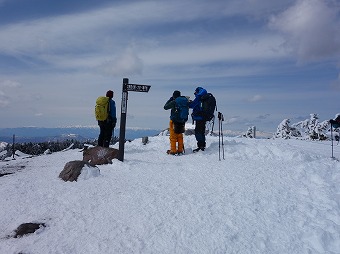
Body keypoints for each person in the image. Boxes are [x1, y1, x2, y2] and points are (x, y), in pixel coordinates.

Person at [164, 90, 187, 155]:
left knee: (173, 136)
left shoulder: (174, 101)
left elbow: (165, 107)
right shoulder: (184, 101)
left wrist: (170, 99)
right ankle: (180, 150)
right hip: (182, 121)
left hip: (174, 121)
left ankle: (173, 150)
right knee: (180, 135)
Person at [189, 87, 208, 152]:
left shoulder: (199, 97)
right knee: (202, 131)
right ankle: (203, 146)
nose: (195, 93)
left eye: (195, 91)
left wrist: (188, 103)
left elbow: (192, 105)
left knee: (198, 132)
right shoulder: (205, 97)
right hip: (204, 117)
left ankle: (200, 146)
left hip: (199, 117)